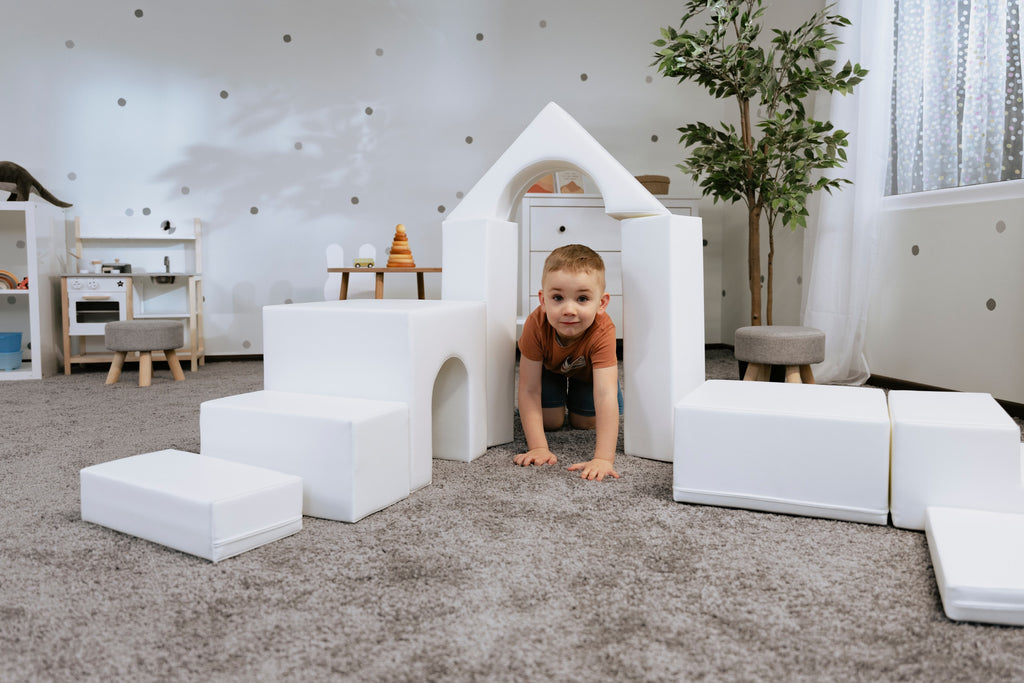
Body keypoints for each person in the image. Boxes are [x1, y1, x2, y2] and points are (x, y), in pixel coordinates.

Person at [514, 244, 622, 481]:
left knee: (584, 422)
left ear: (602, 303)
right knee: (550, 422)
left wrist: (603, 459)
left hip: (588, 375)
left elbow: (605, 394)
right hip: (550, 370)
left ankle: (577, 397)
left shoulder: (603, 329)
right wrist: (538, 447)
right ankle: (559, 395)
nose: (569, 310)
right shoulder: (535, 324)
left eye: (582, 299)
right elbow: (529, 388)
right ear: (543, 300)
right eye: (558, 298)